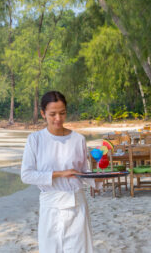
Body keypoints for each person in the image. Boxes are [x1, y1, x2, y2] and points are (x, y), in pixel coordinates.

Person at [21, 91, 94, 253]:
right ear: (43, 114)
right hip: (50, 205)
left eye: (62, 113)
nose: (58, 119)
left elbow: (84, 173)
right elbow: (26, 175)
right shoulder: (35, 140)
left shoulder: (78, 139)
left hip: (76, 204)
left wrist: (102, 175)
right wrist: (60, 174)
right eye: (52, 114)